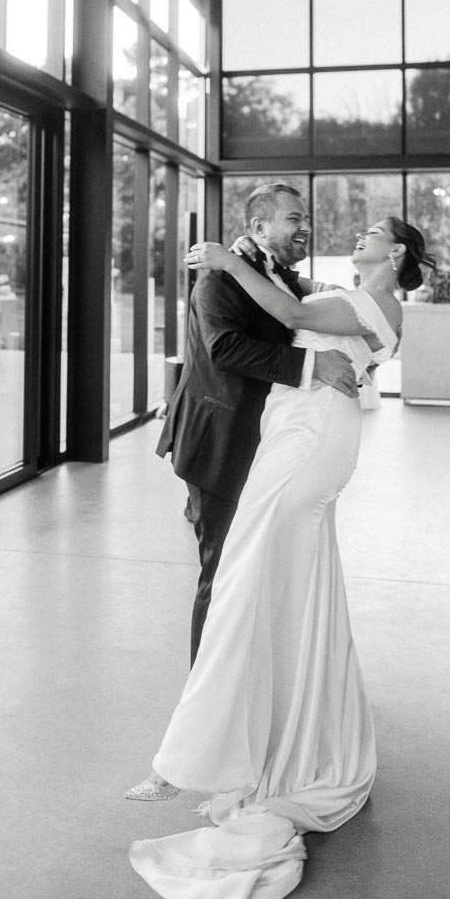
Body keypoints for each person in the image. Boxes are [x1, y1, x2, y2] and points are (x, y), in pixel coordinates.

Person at [127, 216, 434, 899]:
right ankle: (271, 732)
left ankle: (202, 751)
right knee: (284, 588)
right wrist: (242, 270)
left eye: (372, 231)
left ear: (395, 253)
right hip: (305, 431)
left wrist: (223, 262)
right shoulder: (362, 302)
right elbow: (285, 313)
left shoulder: (365, 304)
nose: (358, 233)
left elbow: (292, 315)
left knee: (245, 579)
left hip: (309, 440)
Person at [156, 183, 358, 664]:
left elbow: (294, 308)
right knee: (222, 569)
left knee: (255, 570)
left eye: (305, 217)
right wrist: (313, 364)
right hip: (220, 446)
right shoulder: (217, 280)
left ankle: (248, 678)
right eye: (293, 218)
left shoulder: (279, 279)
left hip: (266, 445)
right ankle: (205, 698)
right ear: (259, 228)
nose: (304, 226)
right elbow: (224, 350)